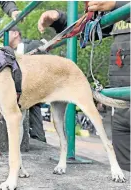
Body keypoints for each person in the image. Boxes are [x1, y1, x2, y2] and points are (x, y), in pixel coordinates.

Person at [37, 1, 130, 171]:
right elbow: (91, 30)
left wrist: (117, 4)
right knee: (125, 169)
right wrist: (59, 19)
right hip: (119, 93)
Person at [9, 26, 47, 143]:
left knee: (33, 110)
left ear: (15, 33)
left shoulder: (31, 46)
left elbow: (44, 58)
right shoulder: (6, 52)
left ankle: (38, 139)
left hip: (31, 91)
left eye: (9, 33)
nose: (7, 35)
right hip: (14, 94)